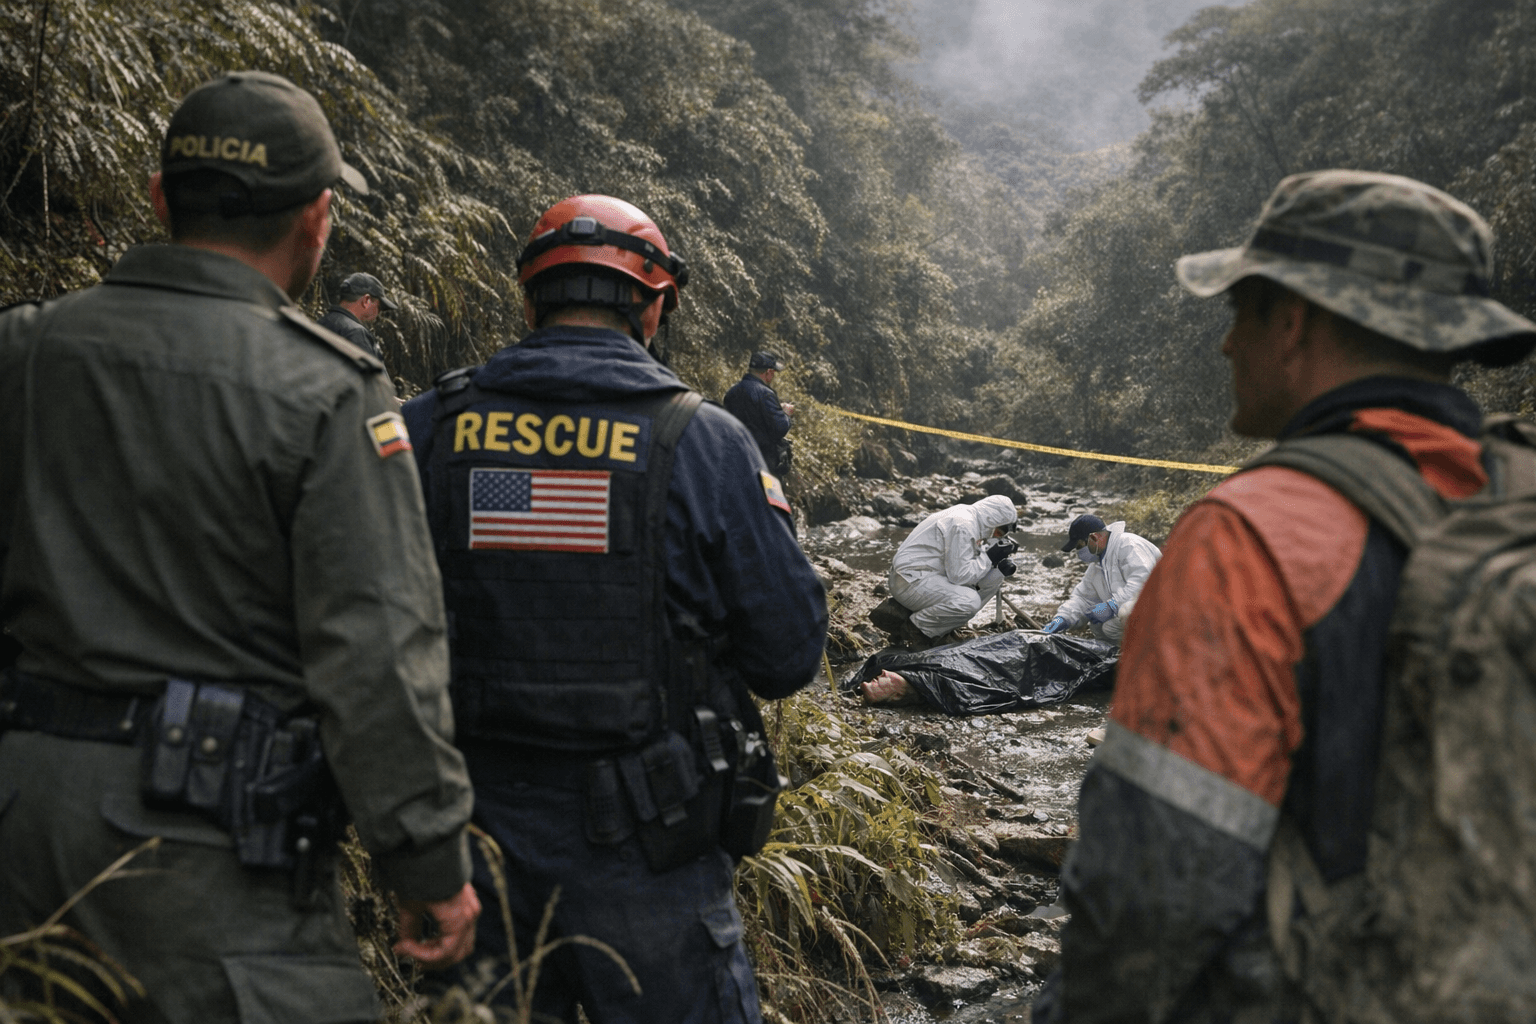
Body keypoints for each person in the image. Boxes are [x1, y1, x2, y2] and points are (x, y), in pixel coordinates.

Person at [0, 71, 479, 1024]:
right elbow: (377, 651)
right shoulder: (331, 392)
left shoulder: (26, 350)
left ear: (159, 197)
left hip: (22, 817)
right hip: (206, 839)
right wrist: (426, 859)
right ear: (319, 219)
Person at [1033, 170, 1536, 1023]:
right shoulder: (1514, 496)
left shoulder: (1250, 536)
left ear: (1295, 320)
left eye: (1242, 311)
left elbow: (1150, 892)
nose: (1229, 345)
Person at [401, 194, 828, 1022]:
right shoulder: (703, 442)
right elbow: (787, 655)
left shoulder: (425, 430)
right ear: (658, 305)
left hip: (470, 849)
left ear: (528, 301)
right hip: (651, 850)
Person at [887, 495, 1019, 644]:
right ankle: (915, 629)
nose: (997, 536)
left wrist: (996, 564)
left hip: (927, 576)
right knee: (969, 601)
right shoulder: (963, 525)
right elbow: (959, 576)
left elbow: (966, 563)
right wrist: (989, 557)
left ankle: (945, 626)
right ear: (991, 520)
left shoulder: (971, 519)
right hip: (909, 581)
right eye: (999, 532)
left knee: (995, 576)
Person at [1040, 514, 1161, 645]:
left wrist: (1112, 606)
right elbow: (1083, 598)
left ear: (1093, 538)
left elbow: (1144, 583)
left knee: (1122, 616)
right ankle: (1122, 657)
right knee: (1099, 626)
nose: (1079, 552)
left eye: (1080, 546)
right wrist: (1062, 619)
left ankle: (1155, 651)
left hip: (1166, 607)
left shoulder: (1128, 545)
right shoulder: (1099, 565)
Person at [722, 350, 795, 476]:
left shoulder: (731, 392)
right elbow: (780, 427)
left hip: (735, 460)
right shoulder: (765, 394)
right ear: (769, 372)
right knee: (765, 496)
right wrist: (786, 413)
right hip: (762, 463)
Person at [317, 270, 399, 360]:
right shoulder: (356, 333)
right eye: (379, 307)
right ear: (366, 300)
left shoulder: (320, 323)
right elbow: (369, 373)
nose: (378, 314)